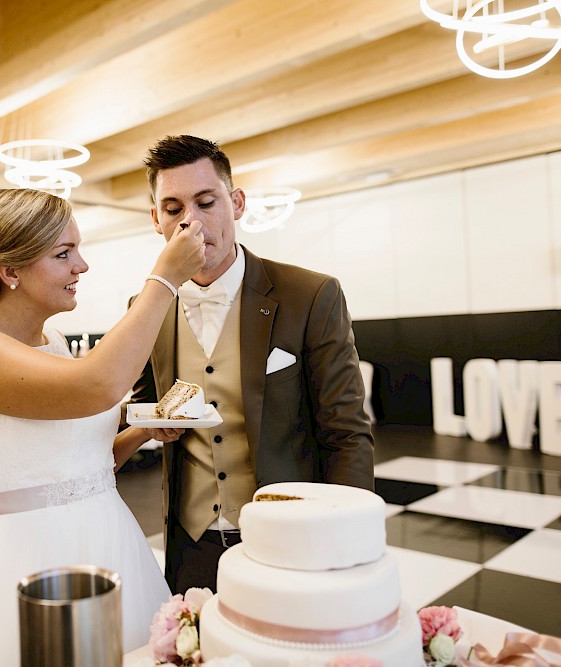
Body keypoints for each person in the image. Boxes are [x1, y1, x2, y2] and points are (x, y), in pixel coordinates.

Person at [0, 187, 205, 665]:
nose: (82, 266)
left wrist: (140, 433)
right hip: (25, 560)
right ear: (10, 272)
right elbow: (98, 386)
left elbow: (74, 465)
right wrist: (164, 279)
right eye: (64, 253)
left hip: (110, 539)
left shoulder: (54, 340)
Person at [125, 135, 375, 594]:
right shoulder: (144, 308)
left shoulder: (310, 295)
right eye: (174, 208)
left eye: (206, 202)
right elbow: (142, 405)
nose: (191, 222)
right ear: (156, 218)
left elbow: (346, 432)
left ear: (236, 203)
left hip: (292, 533)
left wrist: (350, 536)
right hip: (190, 541)